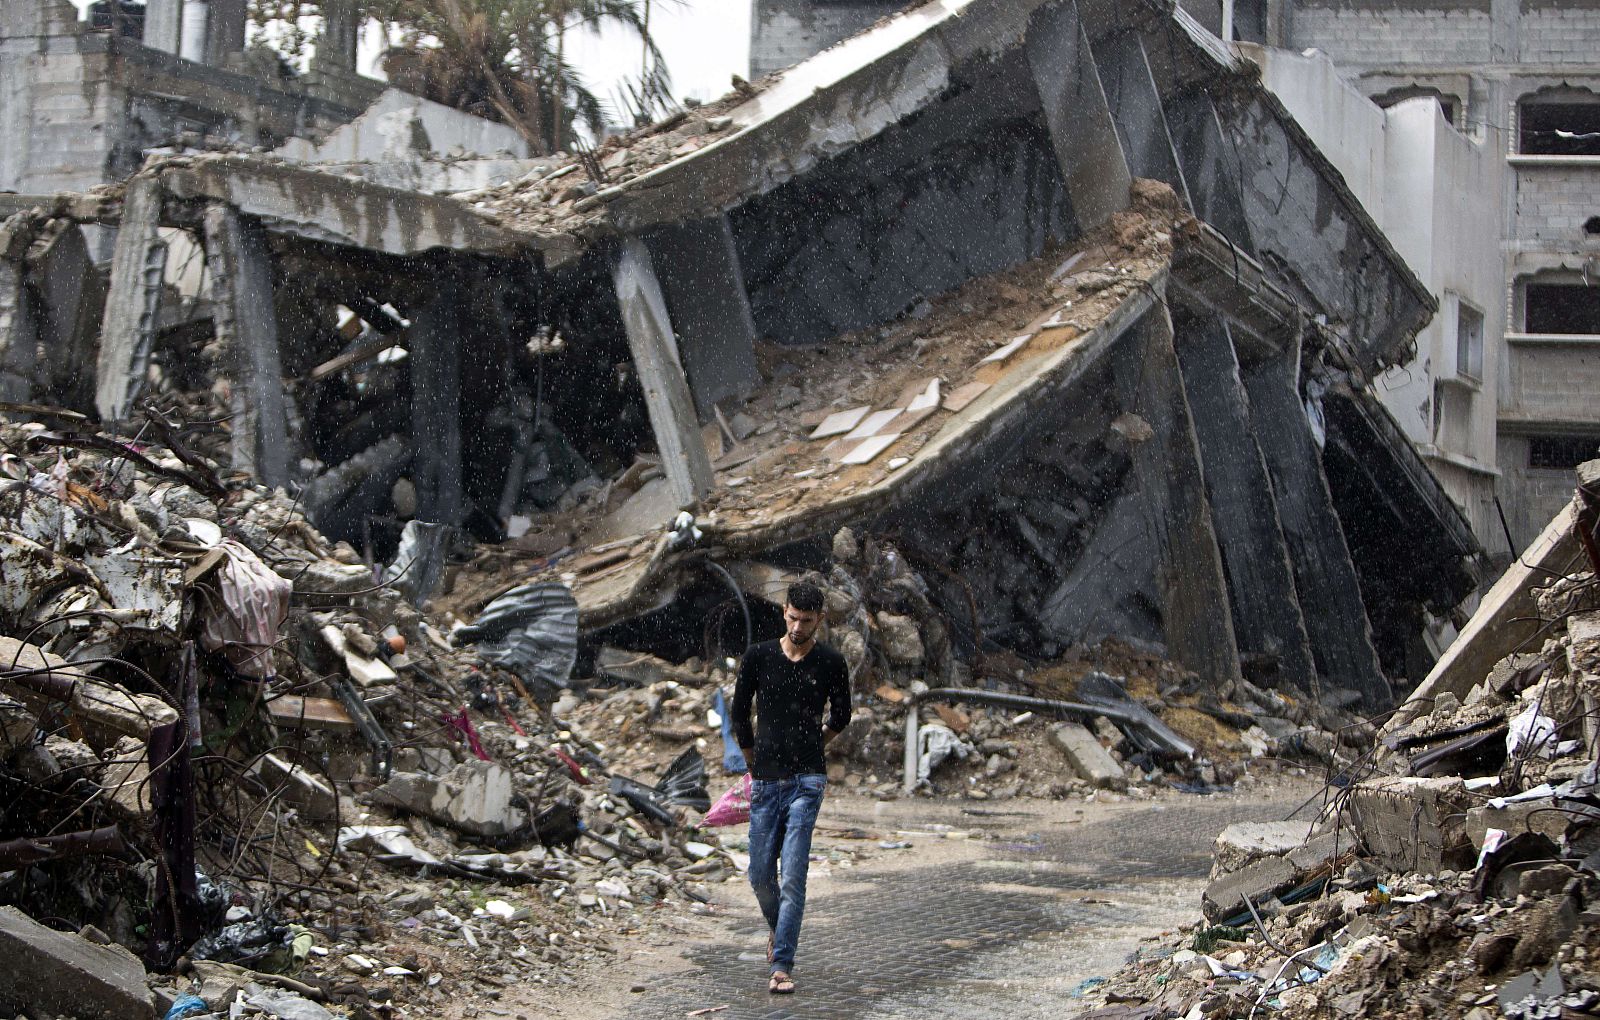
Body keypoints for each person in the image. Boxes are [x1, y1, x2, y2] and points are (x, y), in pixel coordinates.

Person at [730, 580, 851, 995]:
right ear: (784, 611)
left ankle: (782, 964)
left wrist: (815, 746)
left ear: (820, 620)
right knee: (760, 873)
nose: (798, 627)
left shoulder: (831, 662)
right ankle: (776, 926)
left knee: (794, 874)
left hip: (807, 780)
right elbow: (739, 714)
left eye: (807, 620)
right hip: (765, 780)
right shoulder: (758, 656)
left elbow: (842, 715)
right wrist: (751, 760)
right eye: (793, 618)